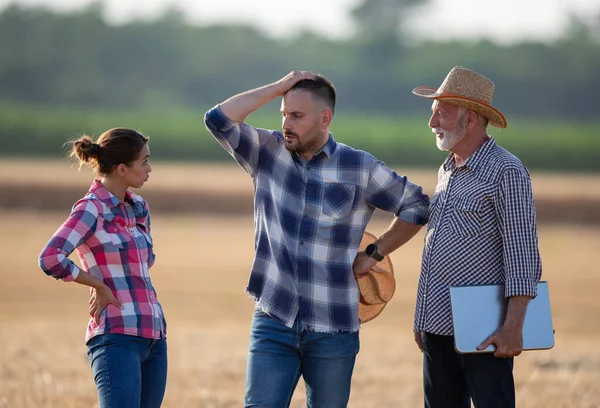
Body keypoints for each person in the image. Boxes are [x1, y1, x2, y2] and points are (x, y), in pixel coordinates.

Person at [204, 70, 430, 408]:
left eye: (296, 115)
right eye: (283, 115)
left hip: (334, 329)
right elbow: (218, 119)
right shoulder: (266, 152)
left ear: (325, 118)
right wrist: (278, 87)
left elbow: (417, 205)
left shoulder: (359, 167)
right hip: (273, 320)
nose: (286, 124)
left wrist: (375, 251)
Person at [411, 66, 543, 408]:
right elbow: (436, 248)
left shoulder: (507, 171)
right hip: (436, 327)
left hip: (487, 330)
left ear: (469, 120)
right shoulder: (447, 170)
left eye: (441, 113)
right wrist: (421, 318)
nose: (432, 122)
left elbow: (522, 254)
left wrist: (513, 327)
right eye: (433, 113)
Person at [38, 128, 167, 408]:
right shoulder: (90, 209)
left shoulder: (139, 206)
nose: (150, 168)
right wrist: (97, 283)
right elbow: (50, 258)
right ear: (122, 169)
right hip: (116, 337)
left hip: (154, 335)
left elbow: (145, 262)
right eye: (144, 162)